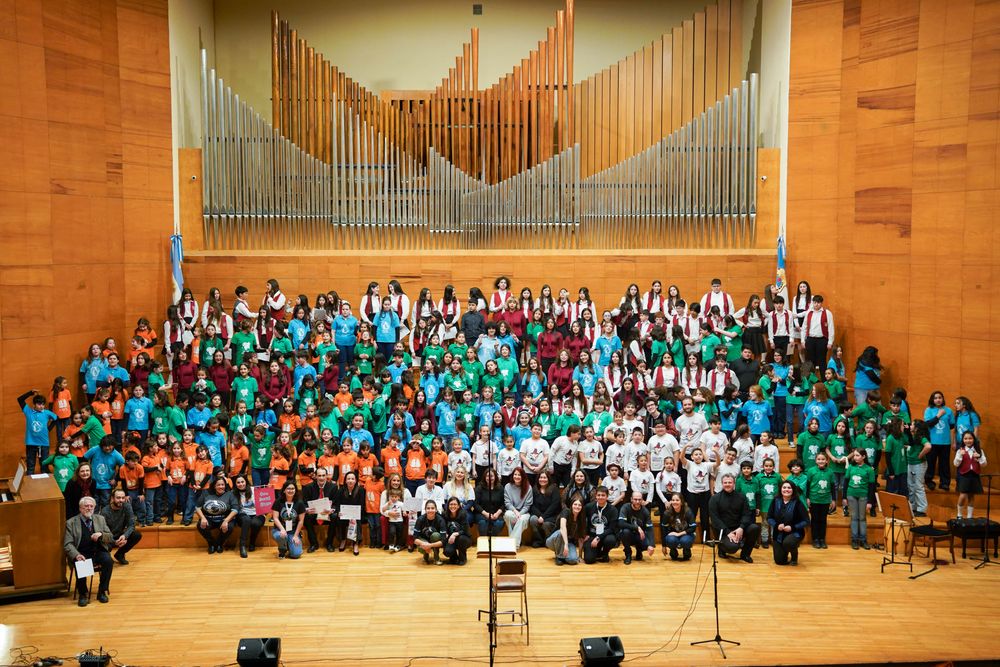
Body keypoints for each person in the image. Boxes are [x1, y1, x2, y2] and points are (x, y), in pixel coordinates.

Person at [63, 496, 114, 606]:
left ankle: (102, 591)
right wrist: (76, 555)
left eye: (91, 506)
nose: (89, 508)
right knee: (80, 563)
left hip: (98, 551)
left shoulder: (100, 519)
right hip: (82, 553)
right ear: (80, 508)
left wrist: (101, 534)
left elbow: (110, 537)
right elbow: (68, 544)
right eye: (86, 506)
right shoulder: (71, 522)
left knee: (108, 561)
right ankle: (83, 593)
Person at [708, 473, 761, 563]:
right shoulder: (715, 499)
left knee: (754, 528)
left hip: (738, 529)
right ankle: (722, 548)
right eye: (725, 482)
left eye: (730, 482)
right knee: (733, 548)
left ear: (734, 483)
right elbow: (715, 519)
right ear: (722, 483)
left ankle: (745, 554)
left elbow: (746, 514)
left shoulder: (741, 497)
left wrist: (741, 527)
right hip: (724, 531)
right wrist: (728, 532)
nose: (728, 484)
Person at [766, 480, 809, 565]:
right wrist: (776, 525)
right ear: (780, 489)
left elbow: (806, 521)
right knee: (779, 561)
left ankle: (794, 556)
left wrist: (792, 527)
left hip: (795, 533)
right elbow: (769, 518)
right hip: (778, 534)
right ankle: (785, 552)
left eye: (789, 488)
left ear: (793, 490)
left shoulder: (798, 503)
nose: (786, 490)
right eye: (784, 487)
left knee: (788, 543)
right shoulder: (775, 501)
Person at [17, 389, 57, 474]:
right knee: (31, 466)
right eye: (39, 404)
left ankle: (44, 486)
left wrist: (49, 429)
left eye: (43, 404)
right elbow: (20, 399)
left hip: (44, 443)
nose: (41, 406)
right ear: (34, 404)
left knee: (44, 466)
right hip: (31, 443)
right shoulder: (28, 411)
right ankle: (30, 485)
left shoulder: (46, 413)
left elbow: (56, 419)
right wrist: (30, 393)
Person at [99, 488, 142, 565]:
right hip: (108, 537)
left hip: (120, 535)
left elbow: (131, 525)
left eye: (123, 498)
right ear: (112, 498)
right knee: (107, 561)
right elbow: (103, 531)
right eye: (118, 498)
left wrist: (124, 536)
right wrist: (114, 542)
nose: (121, 500)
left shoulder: (127, 506)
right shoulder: (105, 512)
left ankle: (120, 554)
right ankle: (106, 557)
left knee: (136, 535)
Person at [196, 476, 237, 554]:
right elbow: (197, 507)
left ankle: (219, 544)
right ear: (214, 486)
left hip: (224, 518)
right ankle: (211, 543)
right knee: (200, 525)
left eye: (223, 484)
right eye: (218, 485)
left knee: (230, 526)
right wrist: (203, 518)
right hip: (209, 519)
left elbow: (235, 509)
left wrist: (226, 520)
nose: (221, 487)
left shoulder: (230, 494)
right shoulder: (206, 493)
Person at [302, 467, 337, 552]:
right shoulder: (308, 487)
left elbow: (336, 503)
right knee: (306, 517)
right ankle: (314, 544)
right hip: (314, 513)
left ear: (326, 476)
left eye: (323, 475)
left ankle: (329, 543)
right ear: (315, 476)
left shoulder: (333, 487)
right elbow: (304, 503)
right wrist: (307, 509)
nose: (321, 478)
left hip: (327, 513)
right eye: (319, 475)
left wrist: (331, 510)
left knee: (335, 516)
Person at [954, 432, 987, 519]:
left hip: (974, 475)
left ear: (973, 439)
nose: (968, 440)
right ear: (963, 440)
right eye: (965, 438)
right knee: (963, 495)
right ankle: (959, 515)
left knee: (971, 496)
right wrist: (960, 456)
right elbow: (956, 464)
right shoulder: (960, 450)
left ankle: (969, 516)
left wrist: (979, 457)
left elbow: (984, 464)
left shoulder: (979, 450)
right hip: (964, 475)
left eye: (970, 438)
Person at [583, 486, 619, 564]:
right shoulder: (589, 507)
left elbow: (612, 528)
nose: (600, 497)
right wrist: (585, 534)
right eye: (598, 495)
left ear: (607, 496)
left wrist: (598, 537)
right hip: (592, 535)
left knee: (611, 540)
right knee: (589, 560)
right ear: (595, 496)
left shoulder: (613, 510)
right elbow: (583, 521)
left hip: (605, 535)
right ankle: (597, 552)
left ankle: (605, 553)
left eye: (603, 495)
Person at [548, 493, 587, 565]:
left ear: (582, 507)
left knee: (572, 560)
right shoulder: (566, 511)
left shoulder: (582, 518)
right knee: (561, 532)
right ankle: (559, 557)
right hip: (554, 540)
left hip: (569, 542)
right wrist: (565, 544)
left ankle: (563, 555)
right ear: (571, 505)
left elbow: (580, 539)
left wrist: (580, 556)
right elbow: (562, 528)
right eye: (575, 504)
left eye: (579, 505)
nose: (577, 507)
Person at [272, 481, 306, 559]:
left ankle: (290, 546)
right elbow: (275, 518)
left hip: (293, 531)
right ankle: (282, 550)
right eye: (288, 488)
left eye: (293, 488)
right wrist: (282, 529)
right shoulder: (278, 501)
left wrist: (296, 535)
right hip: (279, 530)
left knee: (296, 555)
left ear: (295, 490)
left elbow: (301, 521)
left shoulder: (300, 503)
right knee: (282, 536)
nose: (291, 490)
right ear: (284, 490)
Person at [618, 490, 654, 564]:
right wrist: (637, 528)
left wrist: (651, 544)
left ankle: (639, 550)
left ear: (642, 500)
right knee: (625, 532)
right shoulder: (625, 507)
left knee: (648, 543)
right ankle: (628, 554)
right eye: (635, 499)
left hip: (640, 536)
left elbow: (650, 528)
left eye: (639, 499)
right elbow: (621, 523)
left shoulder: (645, 511)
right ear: (631, 499)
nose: (637, 501)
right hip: (629, 535)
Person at [232, 474, 264, 558]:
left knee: (255, 523)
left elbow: (264, 500)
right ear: (235, 484)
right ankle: (242, 546)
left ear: (246, 482)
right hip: (242, 515)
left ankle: (252, 542)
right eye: (238, 482)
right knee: (247, 519)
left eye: (242, 481)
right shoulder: (233, 493)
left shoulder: (254, 490)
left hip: (257, 513)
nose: (241, 484)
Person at [528, 471, 562, 548]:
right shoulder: (534, 489)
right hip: (539, 514)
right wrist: (540, 516)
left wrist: (543, 517)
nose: (542, 479)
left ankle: (548, 541)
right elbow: (532, 505)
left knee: (545, 524)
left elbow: (554, 505)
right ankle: (538, 540)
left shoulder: (554, 488)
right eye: (541, 477)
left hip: (552, 515)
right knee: (533, 519)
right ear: (538, 479)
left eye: (544, 477)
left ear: (548, 479)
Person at [503, 467, 534, 550]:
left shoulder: (528, 488)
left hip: (524, 513)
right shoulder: (507, 486)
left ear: (523, 476)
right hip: (511, 511)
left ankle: (513, 545)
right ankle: (515, 543)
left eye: (519, 475)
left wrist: (519, 514)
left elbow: (527, 505)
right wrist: (515, 511)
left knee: (521, 520)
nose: (516, 476)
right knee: (508, 515)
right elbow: (507, 503)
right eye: (515, 474)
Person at [660, 492, 696, 560]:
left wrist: (678, 534)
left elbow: (693, 528)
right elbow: (663, 530)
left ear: (681, 502)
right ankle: (673, 550)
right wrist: (664, 545)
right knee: (671, 540)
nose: (674, 502)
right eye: (673, 500)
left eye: (677, 500)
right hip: (673, 535)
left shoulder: (688, 511)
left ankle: (686, 549)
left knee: (685, 541)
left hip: (686, 534)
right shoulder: (667, 513)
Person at [335, 470, 364, 555]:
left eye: (352, 479)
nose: (350, 480)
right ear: (345, 480)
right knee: (340, 519)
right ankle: (343, 540)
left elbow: (362, 505)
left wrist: (355, 515)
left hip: (356, 514)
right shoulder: (341, 490)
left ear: (355, 480)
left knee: (357, 522)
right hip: (344, 514)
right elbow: (338, 504)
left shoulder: (360, 490)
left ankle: (355, 543)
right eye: (348, 479)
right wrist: (339, 512)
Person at [413, 499, 448, 565]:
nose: (430, 510)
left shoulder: (441, 520)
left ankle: (436, 557)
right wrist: (424, 544)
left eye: (432, 508)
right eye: (428, 508)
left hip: (435, 541)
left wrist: (430, 545)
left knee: (436, 535)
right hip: (424, 541)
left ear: (436, 510)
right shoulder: (420, 519)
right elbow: (415, 538)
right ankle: (425, 556)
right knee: (421, 544)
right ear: (425, 510)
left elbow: (443, 540)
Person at [473, 467, 505, 537]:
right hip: (481, 513)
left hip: (496, 514)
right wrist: (486, 514)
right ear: (484, 477)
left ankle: (493, 540)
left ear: (495, 477)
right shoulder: (479, 488)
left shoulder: (500, 488)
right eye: (487, 476)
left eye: (492, 476)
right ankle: (484, 542)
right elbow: (476, 504)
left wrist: (497, 513)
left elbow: (503, 504)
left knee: (499, 523)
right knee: (483, 523)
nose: (489, 478)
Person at [441, 497, 473, 564]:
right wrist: (446, 533)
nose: (453, 506)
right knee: (447, 552)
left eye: (455, 504)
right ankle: (454, 557)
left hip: (464, 538)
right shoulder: (444, 514)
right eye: (451, 504)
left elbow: (465, 530)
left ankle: (462, 558)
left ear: (458, 506)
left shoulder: (463, 514)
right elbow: (443, 527)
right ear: (448, 505)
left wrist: (454, 534)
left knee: (460, 539)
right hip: (450, 537)